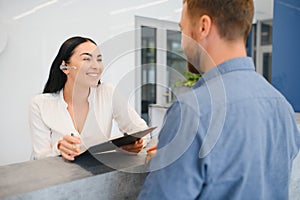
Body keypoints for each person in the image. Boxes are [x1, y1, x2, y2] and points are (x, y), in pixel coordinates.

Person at [138, 0, 300, 199]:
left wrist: (165, 167)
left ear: (203, 26)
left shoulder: (192, 111)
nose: (182, 42)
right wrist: (176, 162)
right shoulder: (281, 106)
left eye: (182, 29)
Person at [29, 36, 148, 161]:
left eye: (99, 60)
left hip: (97, 177)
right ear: (65, 67)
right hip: (59, 178)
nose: (96, 66)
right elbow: (40, 156)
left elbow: (141, 130)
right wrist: (58, 148)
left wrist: (137, 144)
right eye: (86, 59)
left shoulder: (107, 93)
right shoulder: (39, 104)